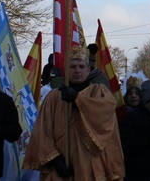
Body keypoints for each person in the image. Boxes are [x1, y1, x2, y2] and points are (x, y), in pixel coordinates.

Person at [24, 45, 124, 180]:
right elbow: (42, 131)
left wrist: (78, 100)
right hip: (61, 165)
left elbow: (105, 114)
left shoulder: (99, 92)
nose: (77, 70)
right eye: (72, 67)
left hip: (91, 163)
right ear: (65, 69)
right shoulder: (54, 97)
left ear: (88, 70)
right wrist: (55, 159)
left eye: (81, 67)